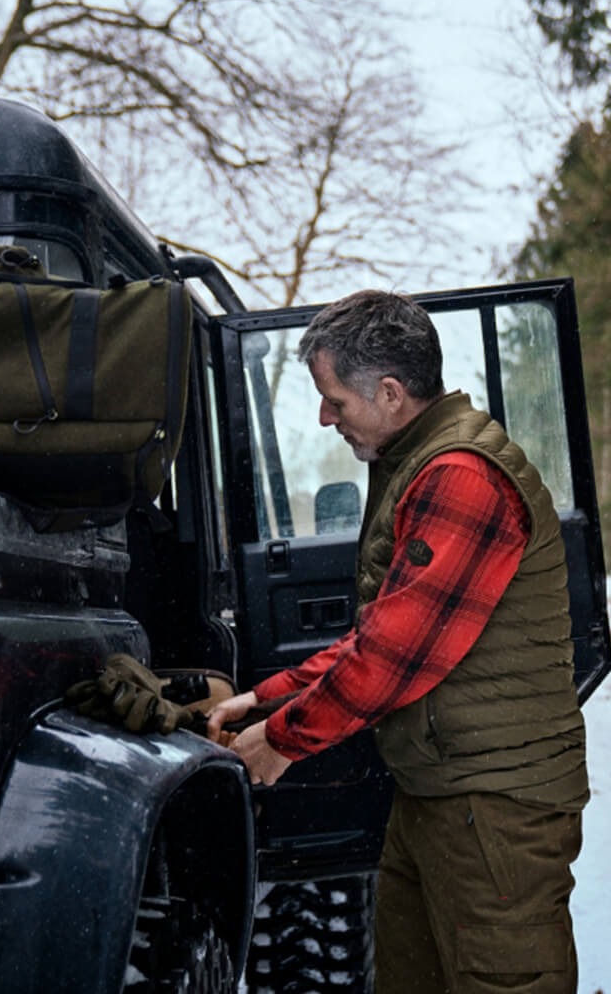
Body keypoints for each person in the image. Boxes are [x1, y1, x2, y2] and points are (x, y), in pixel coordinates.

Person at [207, 288, 588, 994]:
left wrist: (282, 740)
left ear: (388, 392)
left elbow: (393, 658)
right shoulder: (417, 465)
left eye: (334, 401)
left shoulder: (462, 477)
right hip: (439, 795)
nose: (325, 418)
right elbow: (378, 634)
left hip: (494, 807)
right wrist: (264, 698)